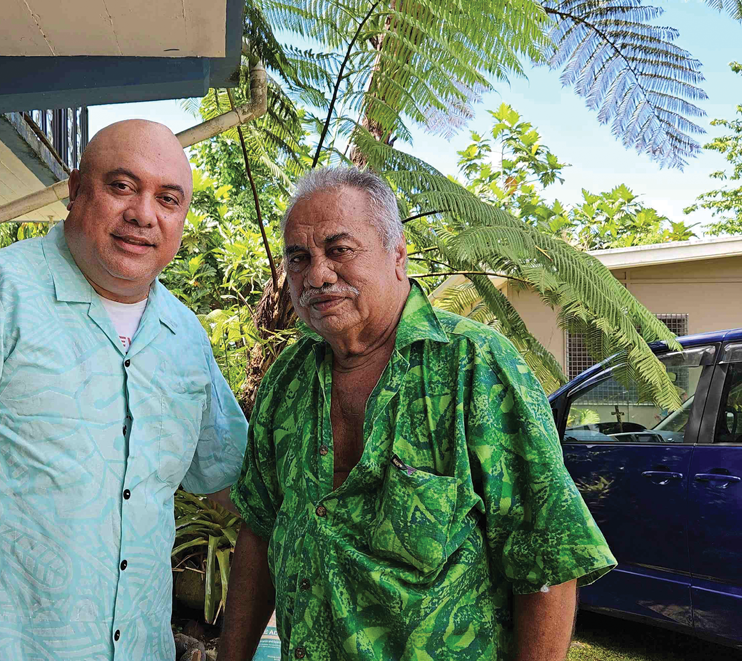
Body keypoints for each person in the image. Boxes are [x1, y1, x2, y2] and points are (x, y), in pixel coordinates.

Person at [0, 120, 248, 661]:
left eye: (168, 198)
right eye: (122, 186)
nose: (143, 214)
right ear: (75, 188)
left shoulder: (185, 338)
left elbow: (236, 480)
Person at [219, 167, 616, 661]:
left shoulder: (475, 366)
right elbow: (259, 532)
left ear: (398, 256)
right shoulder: (289, 379)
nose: (317, 275)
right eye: (299, 259)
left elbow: (547, 561)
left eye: (339, 250)